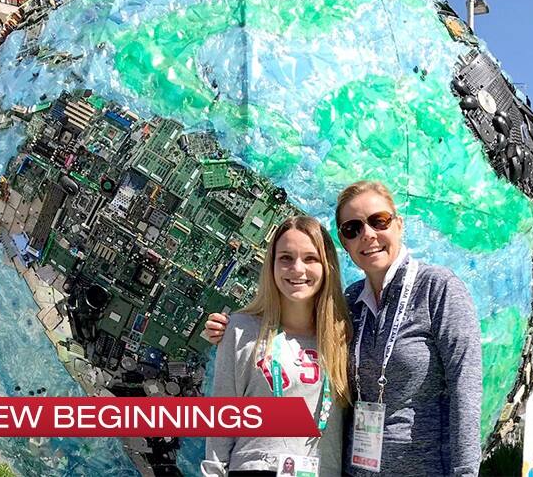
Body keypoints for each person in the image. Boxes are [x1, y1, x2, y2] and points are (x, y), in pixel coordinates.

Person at [205, 181, 482, 476]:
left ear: (399, 224)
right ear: (344, 242)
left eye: (379, 220)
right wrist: (236, 330)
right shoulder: (349, 306)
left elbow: (465, 389)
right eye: (353, 229)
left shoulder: (437, 289)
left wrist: (465, 472)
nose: (368, 234)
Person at [201, 216, 352, 477]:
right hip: (256, 468)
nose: (297, 269)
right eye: (285, 258)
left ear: (327, 266)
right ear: (271, 266)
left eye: (310, 258)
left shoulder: (343, 337)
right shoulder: (240, 329)